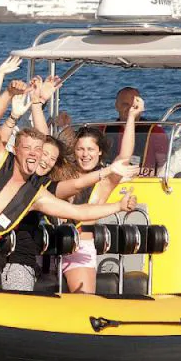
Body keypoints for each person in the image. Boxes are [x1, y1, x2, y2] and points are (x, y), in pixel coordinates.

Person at [0, 70, 139, 291]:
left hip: (8, 250)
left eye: (39, 151)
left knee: (5, 287)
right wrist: (16, 97)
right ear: (16, 149)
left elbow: (79, 211)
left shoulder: (39, 192)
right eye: (29, 149)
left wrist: (117, 203)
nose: (35, 155)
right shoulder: (2, 161)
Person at [58, 95, 142, 293]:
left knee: (83, 301)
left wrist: (131, 118)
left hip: (79, 249)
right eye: (80, 149)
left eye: (90, 150)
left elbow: (125, 157)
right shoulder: (63, 174)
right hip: (50, 243)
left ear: (99, 153)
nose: (85, 154)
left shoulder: (106, 180)